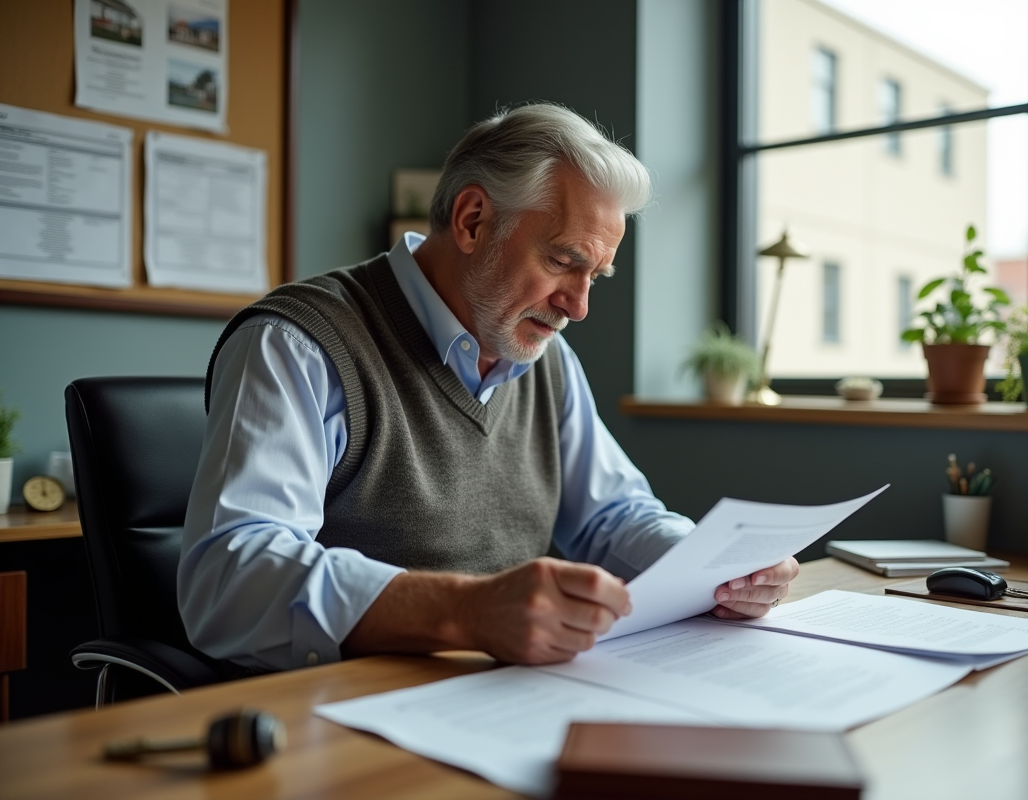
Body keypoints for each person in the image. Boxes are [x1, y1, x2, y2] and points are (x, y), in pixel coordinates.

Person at [179, 102, 799, 673]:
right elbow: (230, 578)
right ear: (473, 220)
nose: (579, 307)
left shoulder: (547, 360)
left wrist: (714, 569)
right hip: (345, 713)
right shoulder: (299, 343)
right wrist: (464, 610)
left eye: (596, 276)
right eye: (562, 261)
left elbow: (612, 516)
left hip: (501, 696)